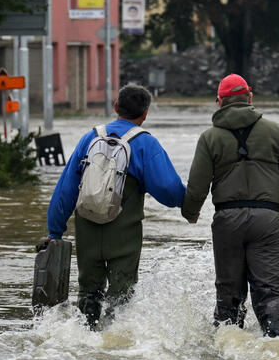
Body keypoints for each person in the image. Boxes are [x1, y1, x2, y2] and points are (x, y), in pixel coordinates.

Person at [181, 74, 279, 340]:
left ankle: (229, 349)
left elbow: (197, 185)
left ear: (220, 102)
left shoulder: (209, 138)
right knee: (270, 289)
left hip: (227, 220)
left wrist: (191, 212)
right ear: (250, 98)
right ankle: (276, 342)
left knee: (229, 292)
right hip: (268, 219)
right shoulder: (275, 131)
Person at [45, 84, 186, 327]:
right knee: (121, 297)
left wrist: (55, 231)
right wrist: (188, 204)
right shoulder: (145, 144)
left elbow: (65, 190)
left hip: (87, 230)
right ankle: (114, 346)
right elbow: (168, 190)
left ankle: (86, 341)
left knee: (88, 293)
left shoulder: (89, 138)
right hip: (124, 234)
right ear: (145, 114)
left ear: (115, 107)